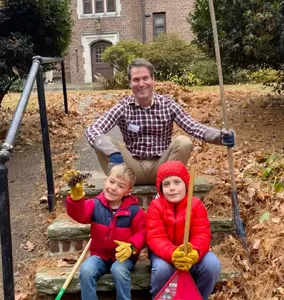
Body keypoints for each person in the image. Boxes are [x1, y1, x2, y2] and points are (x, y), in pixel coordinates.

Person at [85, 58, 235, 185]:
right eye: (136, 79)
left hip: (163, 168)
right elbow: (93, 130)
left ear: (153, 80)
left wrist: (220, 136)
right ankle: (120, 190)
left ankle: (167, 190)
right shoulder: (123, 106)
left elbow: (194, 127)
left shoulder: (167, 104)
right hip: (131, 170)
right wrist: (112, 152)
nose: (141, 83)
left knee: (184, 142)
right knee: (103, 141)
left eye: (145, 78)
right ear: (130, 83)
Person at [64, 164, 146, 300]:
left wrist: (132, 246)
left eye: (120, 186)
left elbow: (142, 232)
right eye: (111, 182)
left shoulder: (134, 211)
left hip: (123, 258)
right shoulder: (95, 204)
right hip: (99, 256)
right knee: (86, 270)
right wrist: (76, 198)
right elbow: (80, 215)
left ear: (128, 191)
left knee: (118, 270)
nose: (113, 188)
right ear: (105, 180)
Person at [146, 160, 220, 300]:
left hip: (191, 254)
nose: (172, 188)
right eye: (166, 184)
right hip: (165, 255)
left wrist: (195, 252)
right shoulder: (156, 207)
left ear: (186, 185)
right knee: (161, 269)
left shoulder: (196, 205)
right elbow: (155, 237)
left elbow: (202, 233)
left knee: (212, 264)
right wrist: (173, 253)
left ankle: (197, 297)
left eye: (176, 182)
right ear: (160, 189)